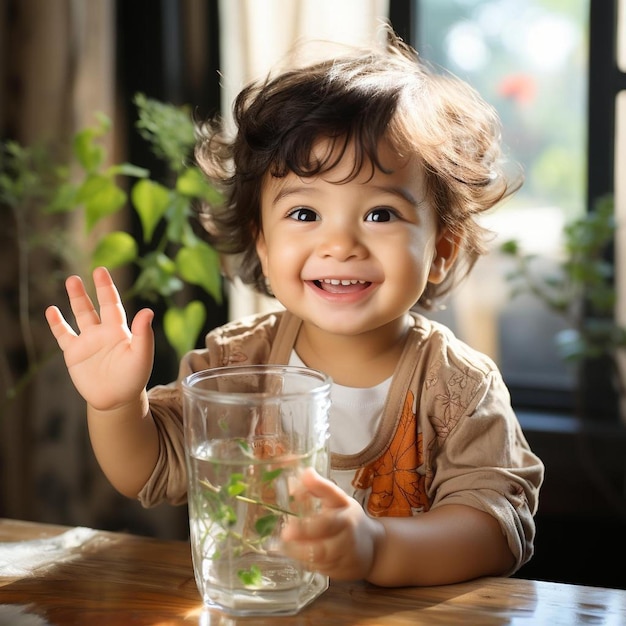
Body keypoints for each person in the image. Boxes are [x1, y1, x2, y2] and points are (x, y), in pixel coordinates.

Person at [45, 27, 544, 588]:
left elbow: (497, 529)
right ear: (261, 239)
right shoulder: (237, 364)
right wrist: (115, 406)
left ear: (440, 251)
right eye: (305, 214)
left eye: (379, 214)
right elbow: (152, 471)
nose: (340, 245)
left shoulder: (458, 387)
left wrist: (375, 548)